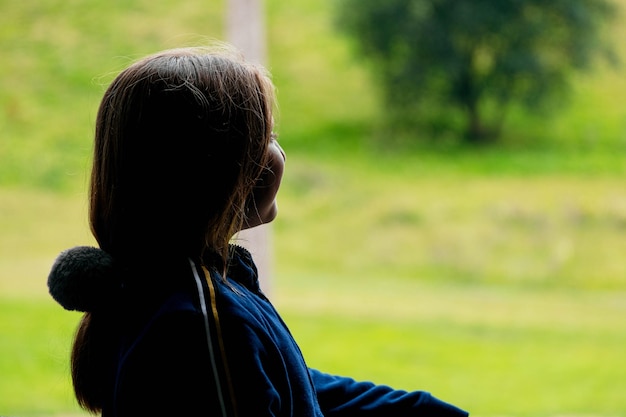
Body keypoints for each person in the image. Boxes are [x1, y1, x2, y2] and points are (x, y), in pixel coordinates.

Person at [48, 45, 469, 417]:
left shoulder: (186, 287)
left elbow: (296, 383)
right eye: (265, 137)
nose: (279, 152)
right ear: (214, 173)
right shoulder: (203, 325)